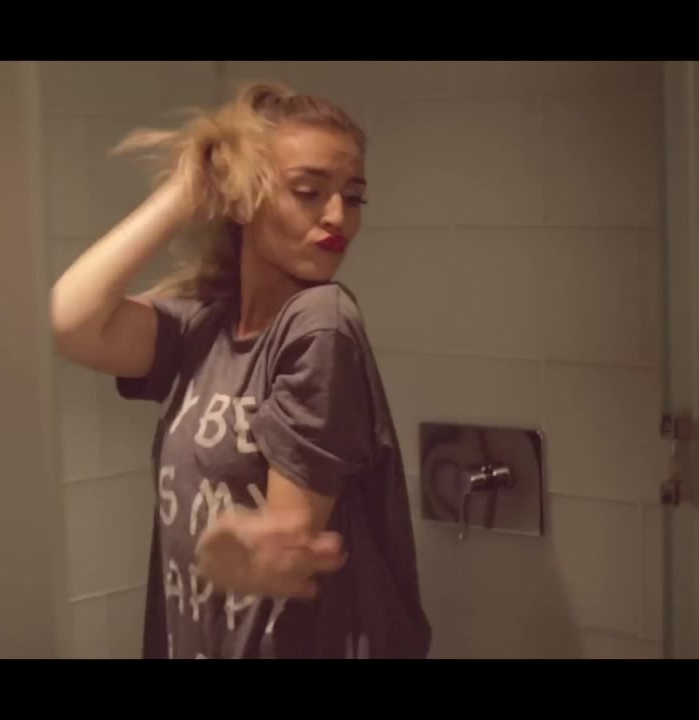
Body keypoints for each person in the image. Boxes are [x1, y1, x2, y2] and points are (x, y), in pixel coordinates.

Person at [49, 82, 431, 659]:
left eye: (353, 197)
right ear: (241, 198)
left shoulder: (319, 320)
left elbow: (287, 547)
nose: (338, 217)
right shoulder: (203, 328)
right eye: (308, 191)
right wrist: (189, 188)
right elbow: (71, 320)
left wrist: (244, 549)